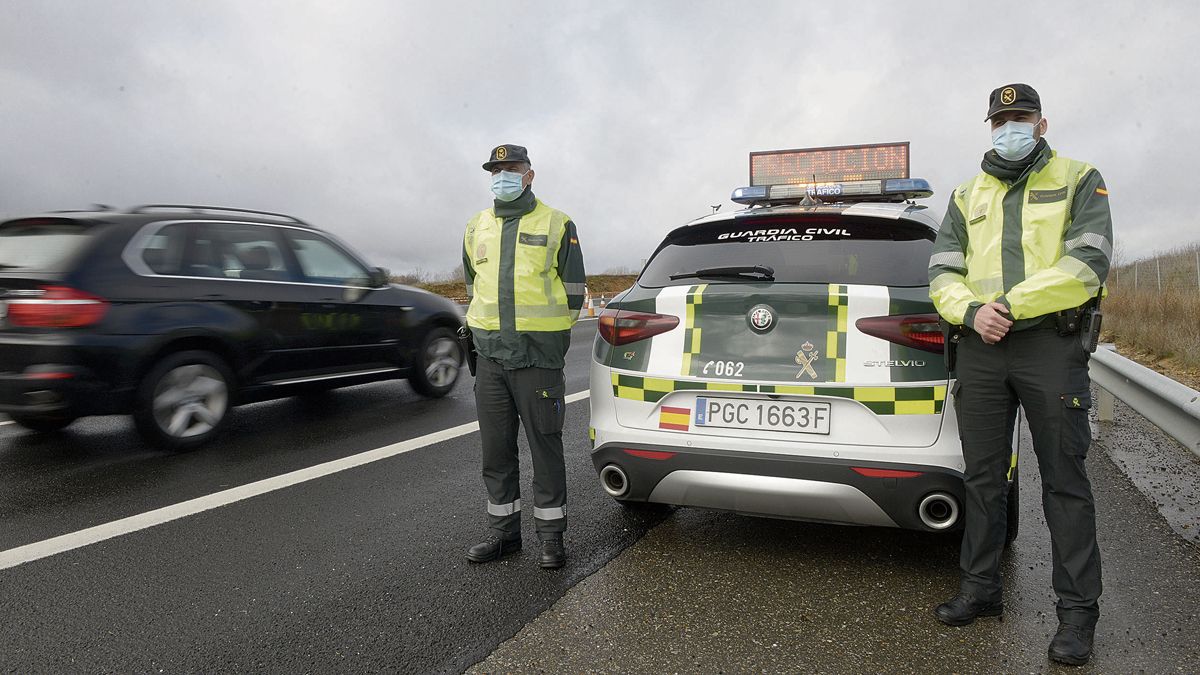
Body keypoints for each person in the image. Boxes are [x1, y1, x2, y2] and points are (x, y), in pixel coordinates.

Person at [928, 83, 1112, 666]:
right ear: (990, 126)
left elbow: (1088, 261)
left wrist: (1008, 304)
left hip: (1049, 346)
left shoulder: (1080, 178)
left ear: (1041, 121)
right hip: (981, 344)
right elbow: (941, 270)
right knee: (982, 477)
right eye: (1000, 118)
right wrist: (968, 311)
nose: (1010, 125)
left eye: (1021, 116)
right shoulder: (965, 194)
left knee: (1063, 479)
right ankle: (980, 590)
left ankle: (1077, 614)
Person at [462, 144, 586, 569]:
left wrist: (543, 337)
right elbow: (473, 288)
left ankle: (552, 537)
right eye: (496, 170)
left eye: (511, 169)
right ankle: (504, 535)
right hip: (492, 359)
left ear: (529, 175)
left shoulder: (557, 223)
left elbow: (573, 296)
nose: (502, 176)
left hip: (537, 358)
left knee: (544, 448)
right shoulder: (475, 227)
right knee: (495, 452)